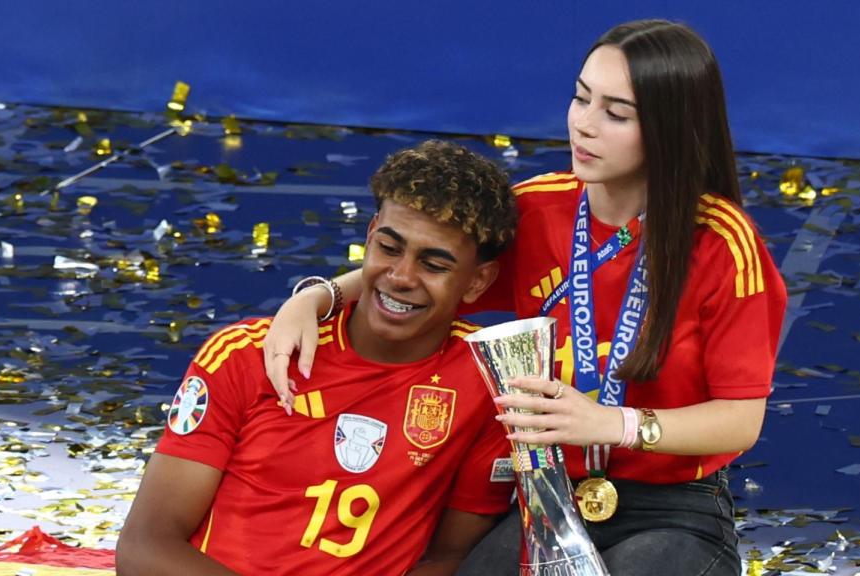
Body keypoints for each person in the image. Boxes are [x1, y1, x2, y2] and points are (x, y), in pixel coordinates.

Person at [262, 19, 787, 576]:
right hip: (551, 493)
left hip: (677, 507)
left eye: (615, 113)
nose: (583, 125)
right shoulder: (536, 210)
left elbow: (739, 419)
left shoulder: (724, 245)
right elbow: (429, 274)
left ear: (669, 128)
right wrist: (316, 299)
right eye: (581, 98)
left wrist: (612, 424)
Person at [117, 140, 519, 576]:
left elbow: (448, 558)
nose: (401, 277)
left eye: (434, 265)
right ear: (369, 236)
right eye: (388, 248)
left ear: (478, 281)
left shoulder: (486, 379)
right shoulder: (247, 355)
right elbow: (144, 547)